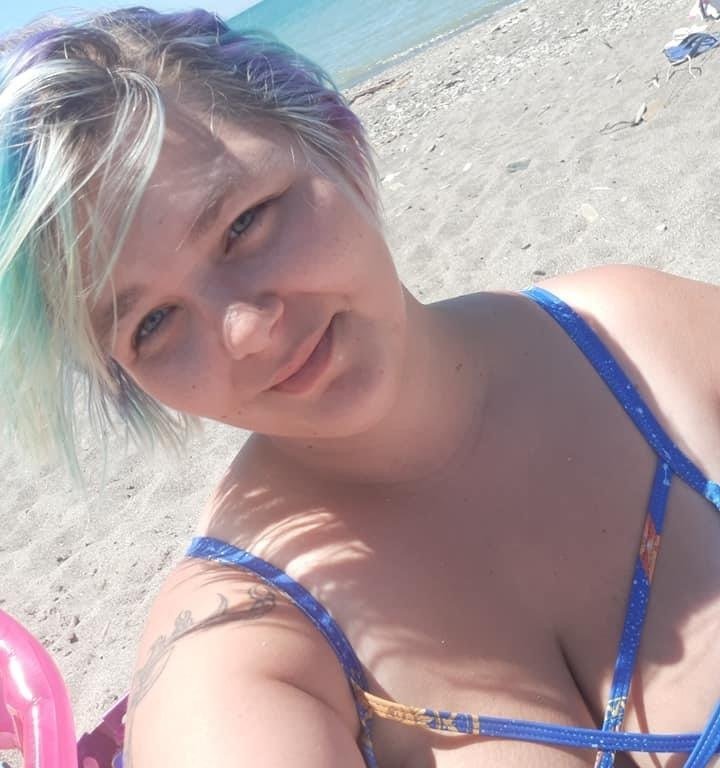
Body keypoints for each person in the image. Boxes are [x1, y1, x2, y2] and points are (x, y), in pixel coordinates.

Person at [0, 7, 718, 768]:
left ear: (335, 140)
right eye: (153, 323)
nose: (245, 331)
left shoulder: (638, 342)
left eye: (244, 224)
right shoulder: (233, 656)